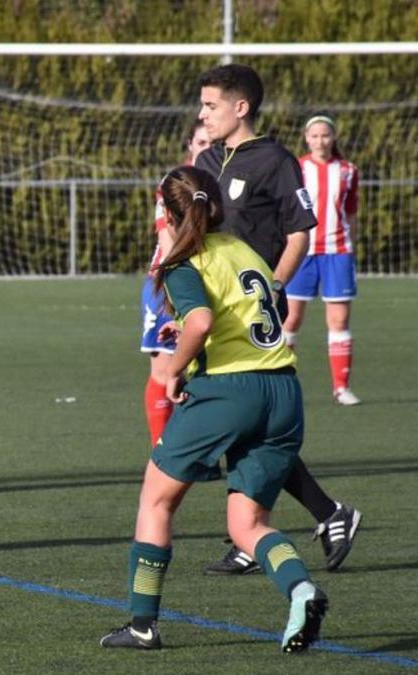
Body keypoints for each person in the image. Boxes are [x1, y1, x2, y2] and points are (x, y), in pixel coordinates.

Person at [100, 166, 327, 653]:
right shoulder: (243, 249)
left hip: (229, 392)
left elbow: (201, 320)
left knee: (156, 500)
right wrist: (185, 335)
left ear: (166, 210)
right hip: (283, 391)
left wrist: (175, 368)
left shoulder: (184, 260)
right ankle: (302, 590)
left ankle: (142, 626)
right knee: (247, 525)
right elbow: (270, 307)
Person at [193, 64, 361, 575]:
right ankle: (318, 516)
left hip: (253, 312)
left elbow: (298, 234)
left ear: (240, 108)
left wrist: (273, 287)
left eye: (211, 105)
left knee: (237, 421)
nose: (202, 114)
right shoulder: (205, 159)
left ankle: (262, 530)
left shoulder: (277, 162)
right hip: (216, 310)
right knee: (244, 428)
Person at [141, 120, 210, 448]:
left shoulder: (222, 182)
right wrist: (174, 285)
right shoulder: (173, 183)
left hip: (213, 279)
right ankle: (161, 448)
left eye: (213, 143)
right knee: (166, 368)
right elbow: (166, 237)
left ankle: (198, 445)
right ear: (190, 146)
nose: (207, 148)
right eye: (201, 143)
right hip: (171, 278)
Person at [285, 114, 361, 406]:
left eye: (325, 135)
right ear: (306, 138)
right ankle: (284, 384)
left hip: (337, 252)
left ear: (334, 137)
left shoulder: (348, 170)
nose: (320, 141)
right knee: (291, 318)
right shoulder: (297, 168)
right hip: (302, 252)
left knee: (339, 319)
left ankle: (341, 388)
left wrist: (351, 246)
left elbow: (351, 211)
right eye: (314, 136)